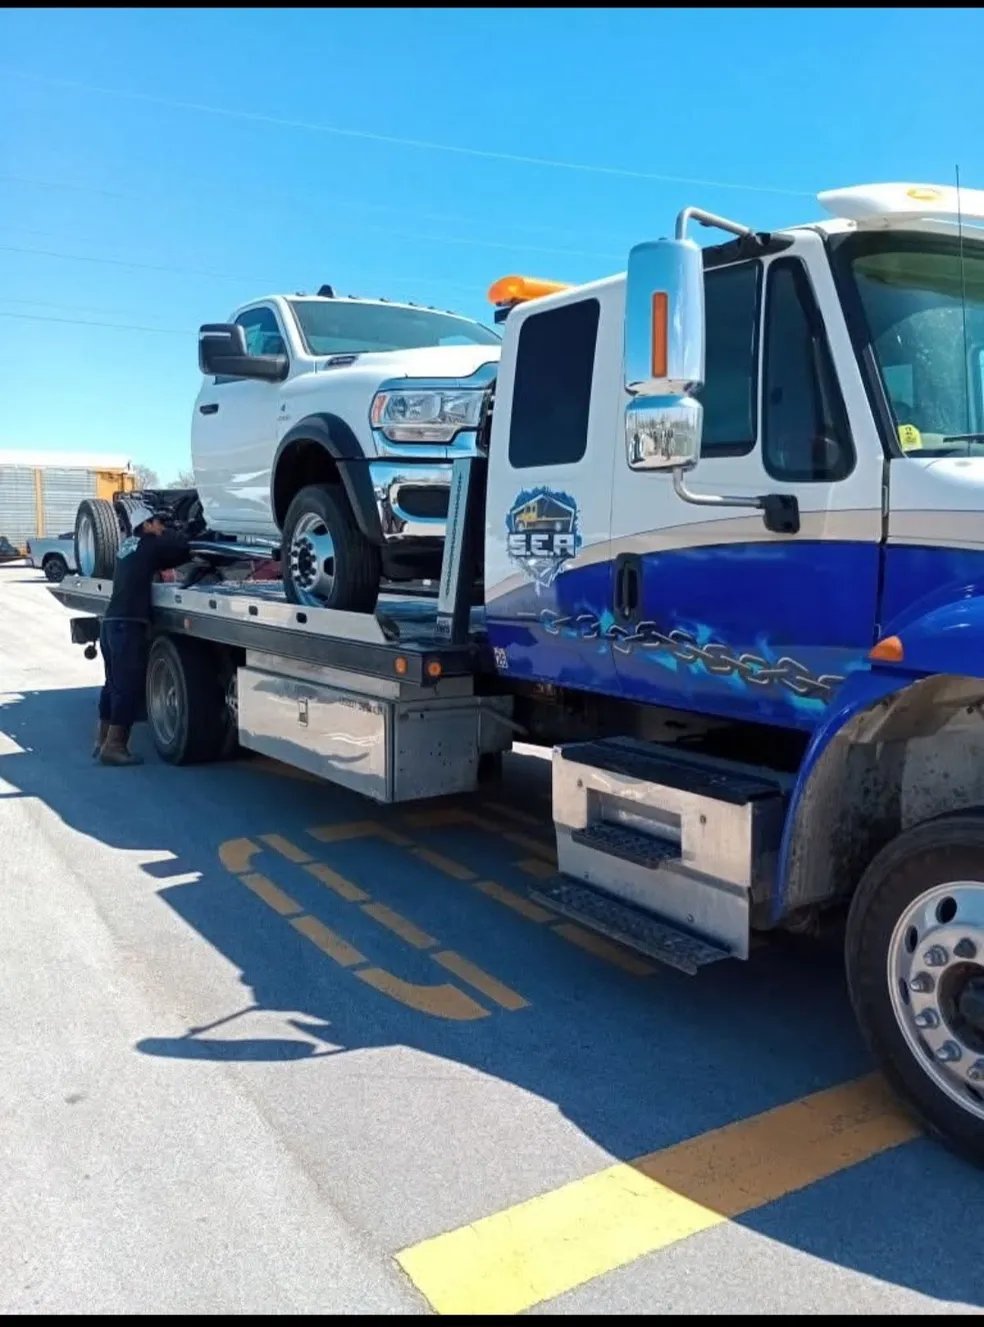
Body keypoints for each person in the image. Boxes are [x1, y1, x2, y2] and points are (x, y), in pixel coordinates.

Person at [94, 503, 191, 766]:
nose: (162, 527)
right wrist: (187, 530)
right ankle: (114, 747)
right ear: (146, 526)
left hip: (111, 623)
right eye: (158, 522)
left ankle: (102, 739)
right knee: (127, 686)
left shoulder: (127, 548)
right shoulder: (150, 544)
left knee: (112, 683)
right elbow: (182, 551)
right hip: (127, 625)